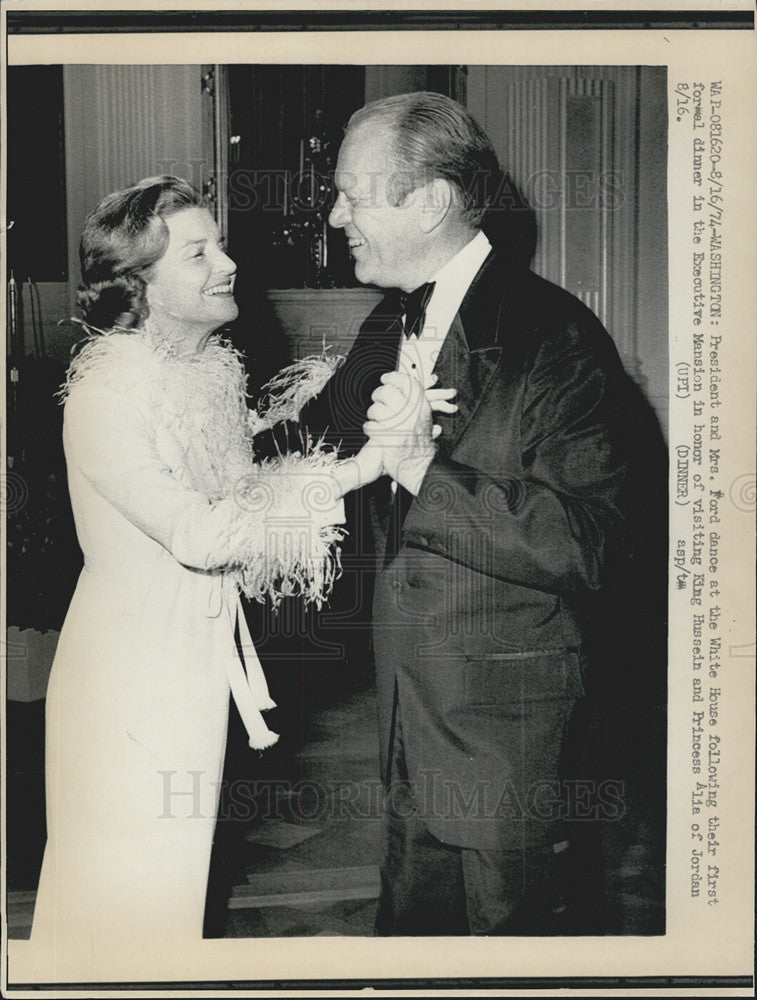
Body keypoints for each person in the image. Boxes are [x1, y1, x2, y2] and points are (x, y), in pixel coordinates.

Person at [294, 92, 663, 935]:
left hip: (511, 733)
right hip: (408, 710)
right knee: (418, 932)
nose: (333, 212)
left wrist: (425, 467)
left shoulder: (550, 335)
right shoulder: (394, 318)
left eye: (353, 192)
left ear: (428, 201)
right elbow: (310, 438)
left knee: (513, 945)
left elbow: (601, 543)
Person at [28, 176, 388, 950]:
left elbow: (246, 490)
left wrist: (338, 411)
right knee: (122, 896)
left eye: (218, 243)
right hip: (130, 673)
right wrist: (355, 473)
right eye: (197, 253)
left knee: (176, 881)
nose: (227, 264)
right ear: (140, 286)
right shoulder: (110, 392)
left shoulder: (207, 372)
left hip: (196, 658)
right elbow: (199, 534)